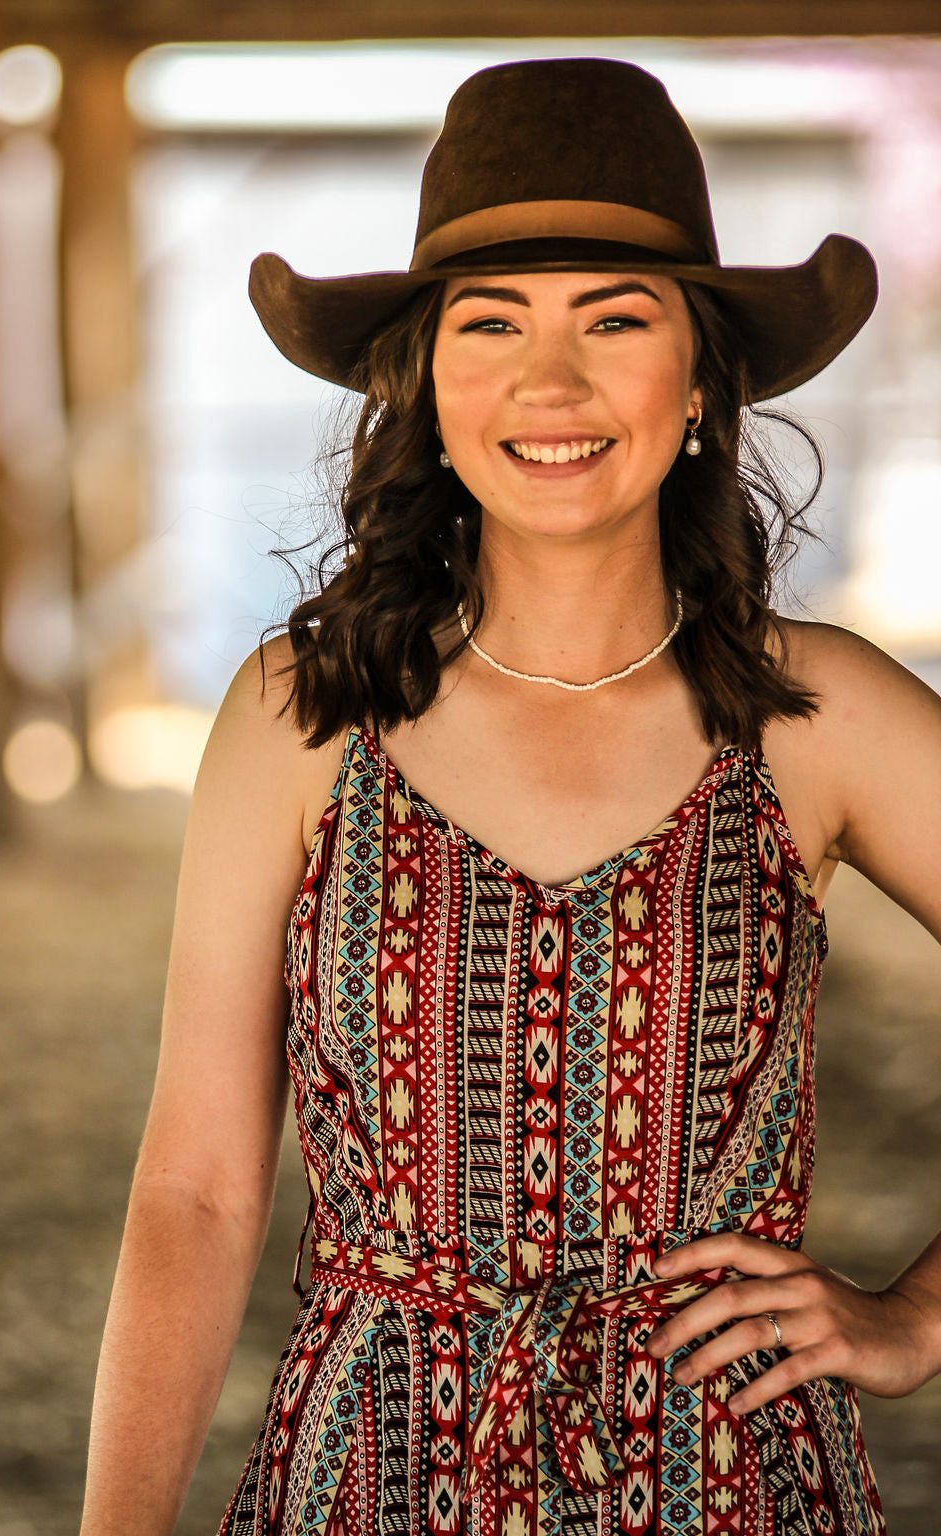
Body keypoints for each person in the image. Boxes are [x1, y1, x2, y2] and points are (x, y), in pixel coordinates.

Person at [78, 57, 941, 1536]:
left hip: (728, 1489)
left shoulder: (820, 716)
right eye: (493, 325)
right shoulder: (304, 716)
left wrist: (917, 1319)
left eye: (616, 320)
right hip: (372, 1479)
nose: (552, 385)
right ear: (423, 378)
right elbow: (201, 1192)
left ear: (700, 378)